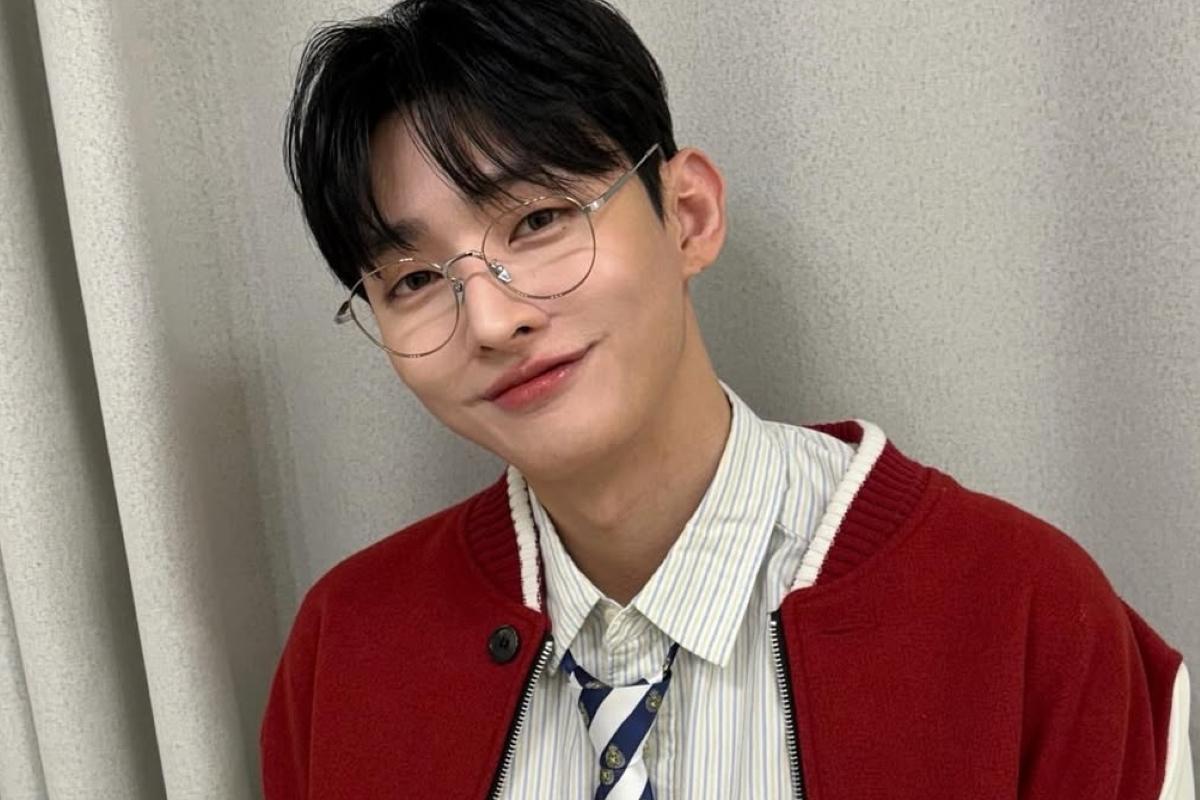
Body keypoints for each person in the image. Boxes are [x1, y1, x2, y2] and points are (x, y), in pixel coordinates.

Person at [260, 0, 1195, 797]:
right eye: (415, 280)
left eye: (539, 219)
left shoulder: (1023, 613)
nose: (494, 319)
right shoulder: (345, 653)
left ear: (688, 216)